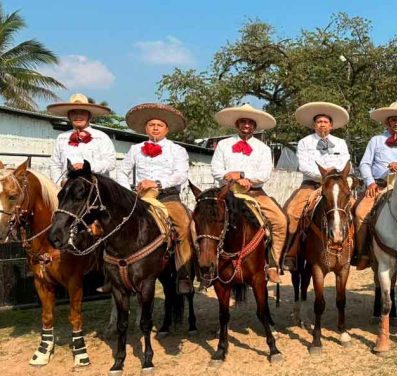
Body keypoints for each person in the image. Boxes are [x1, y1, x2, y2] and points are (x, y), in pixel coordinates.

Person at [117, 103, 194, 294]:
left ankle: (183, 273)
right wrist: (127, 194)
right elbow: (121, 171)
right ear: (146, 128)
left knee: (184, 225)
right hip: (139, 198)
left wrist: (157, 183)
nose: (155, 128)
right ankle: (113, 274)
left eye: (160, 125)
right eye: (152, 124)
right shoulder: (135, 149)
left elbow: (181, 175)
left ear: (167, 129)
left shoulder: (177, 150)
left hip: (168, 197)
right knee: (113, 225)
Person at [211, 104, 287, 283]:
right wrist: (228, 177)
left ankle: (274, 264)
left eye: (250, 123)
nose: (246, 125)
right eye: (243, 122)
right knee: (202, 221)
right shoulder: (223, 145)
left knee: (280, 221)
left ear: (255, 126)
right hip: (228, 192)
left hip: (255, 192)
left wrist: (244, 176)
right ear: (237, 124)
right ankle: (206, 266)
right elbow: (215, 169)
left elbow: (265, 173)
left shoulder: (263, 148)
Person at [353, 101, 397, 269]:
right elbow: (364, 164)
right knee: (360, 212)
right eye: (393, 120)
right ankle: (362, 253)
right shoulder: (376, 140)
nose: (396, 123)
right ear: (387, 122)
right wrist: (370, 183)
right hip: (380, 185)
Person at [282, 102, 351, 271]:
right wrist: (323, 175)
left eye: (325, 122)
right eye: (319, 121)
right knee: (292, 211)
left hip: (336, 185)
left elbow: (346, 162)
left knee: (356, 210)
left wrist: (334, 175)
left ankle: (357, 251)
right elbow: (303, 166)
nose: (322, 124)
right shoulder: (304, 142)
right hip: (312, 184)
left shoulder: (341, 143)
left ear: (331, 125)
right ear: (314, 125)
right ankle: (290, 253)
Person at [47, 93, 116, 184]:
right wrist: (59, 184)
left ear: (89, 116)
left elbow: (110, 163)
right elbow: (55, 164)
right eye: (74, 113)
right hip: (68, 188)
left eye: (82, 112)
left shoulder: (101, 137)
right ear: (69, 116)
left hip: (96, 188)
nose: (78, 116)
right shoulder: (61, 138)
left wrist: (88, 167)